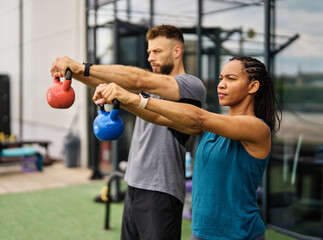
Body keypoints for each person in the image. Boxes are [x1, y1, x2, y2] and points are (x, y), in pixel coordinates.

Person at [92, 56, 282, 240]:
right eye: (221, 78)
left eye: (231, 79)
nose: (221, 84)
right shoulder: (210, 129)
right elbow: (157, 118)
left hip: (239, 235)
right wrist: (121, 100)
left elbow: (199, 117)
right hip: (200, 233)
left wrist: (135, 99)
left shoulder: (258, 129)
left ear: (253, 86)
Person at [51, 24, 206, 240]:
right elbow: (109, 82)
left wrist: (81, 66)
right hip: (134, 185)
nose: (151, 57)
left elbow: (138, 80)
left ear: (177, 51)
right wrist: (72, 73)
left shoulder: (190, 86)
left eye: (157, 51)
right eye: (149, 52)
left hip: (162, 189)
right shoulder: (147, 91)